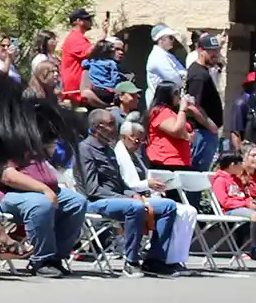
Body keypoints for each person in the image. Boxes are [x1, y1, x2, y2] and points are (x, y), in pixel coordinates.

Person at [0, 75, 87, 277]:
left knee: (77, 202)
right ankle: (41, 259)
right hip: (12, 194)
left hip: (44, 190)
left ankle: (57, 257)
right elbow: (7, 175)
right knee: (40, 204)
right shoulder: (7, 135)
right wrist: (43, 188)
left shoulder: (34, 135)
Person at [75, 108, 180, 272]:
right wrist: (127, 199)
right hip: (95, 202)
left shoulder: (109, 150)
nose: (115, 128)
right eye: (110, 124)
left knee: (168, 206)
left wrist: (132, 193)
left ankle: (154, 260)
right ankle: (131, 261)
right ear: (97, 127)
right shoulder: (85, 149)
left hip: (117, 199)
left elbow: (120, 183)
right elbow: (92, 189)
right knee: (135, 207)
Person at [118, 114, 195, 266]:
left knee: (189, 211)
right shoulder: (118, 154)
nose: (139, 143)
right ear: (124, 137)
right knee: (172, 208)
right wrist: (148, 183)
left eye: (141, 140)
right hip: (131, 197)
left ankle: (175, 258)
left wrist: (155, 185)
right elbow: (127, 184)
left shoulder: (136, 155)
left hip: (147, 194)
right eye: (136, 139)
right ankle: (158, 258)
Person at [211, 144, 256, 263]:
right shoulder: (220, 180)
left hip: (244, 207)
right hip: (230, 210)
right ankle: (255, 248)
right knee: (255, 215)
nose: (242, 166)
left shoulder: (236, 179)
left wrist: (252, 203)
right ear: (232, 165)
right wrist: (245, 203)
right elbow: (224, 201)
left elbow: (245, 195)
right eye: (240, 164)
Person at [184, 33, 225, 172]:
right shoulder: (199, 75)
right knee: (197, 175)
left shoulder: (203, 71)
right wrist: (210, 125)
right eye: (211, 51)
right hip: (202, 133)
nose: (215, 54)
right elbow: (192, 106)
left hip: (205, 133)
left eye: (217, 50)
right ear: (201, 51)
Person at [145, 81, 196, 171]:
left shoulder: (172, 112)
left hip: (180, 161)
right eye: (176, 93)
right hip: (165, 161)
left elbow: (183, 133)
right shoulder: (159, 111)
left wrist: (187, 135)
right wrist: (182, 110)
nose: (179, 97)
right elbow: (176, 130)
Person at [58, 10, 95, 102]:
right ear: (78, 21)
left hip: (79, 89)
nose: (90, 21)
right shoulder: (74, 38)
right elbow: (89, 52)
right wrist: (103, 37)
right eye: (87, 19)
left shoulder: (79, 38)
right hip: (74, 92)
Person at [146, 26, 187, 99]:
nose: (173, 40)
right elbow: (173, 78)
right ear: (162, 39)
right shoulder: (157, 57)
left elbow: (183, 72)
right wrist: (183, 79)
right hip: (161, 100)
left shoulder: (168, 55)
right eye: (170, 38)